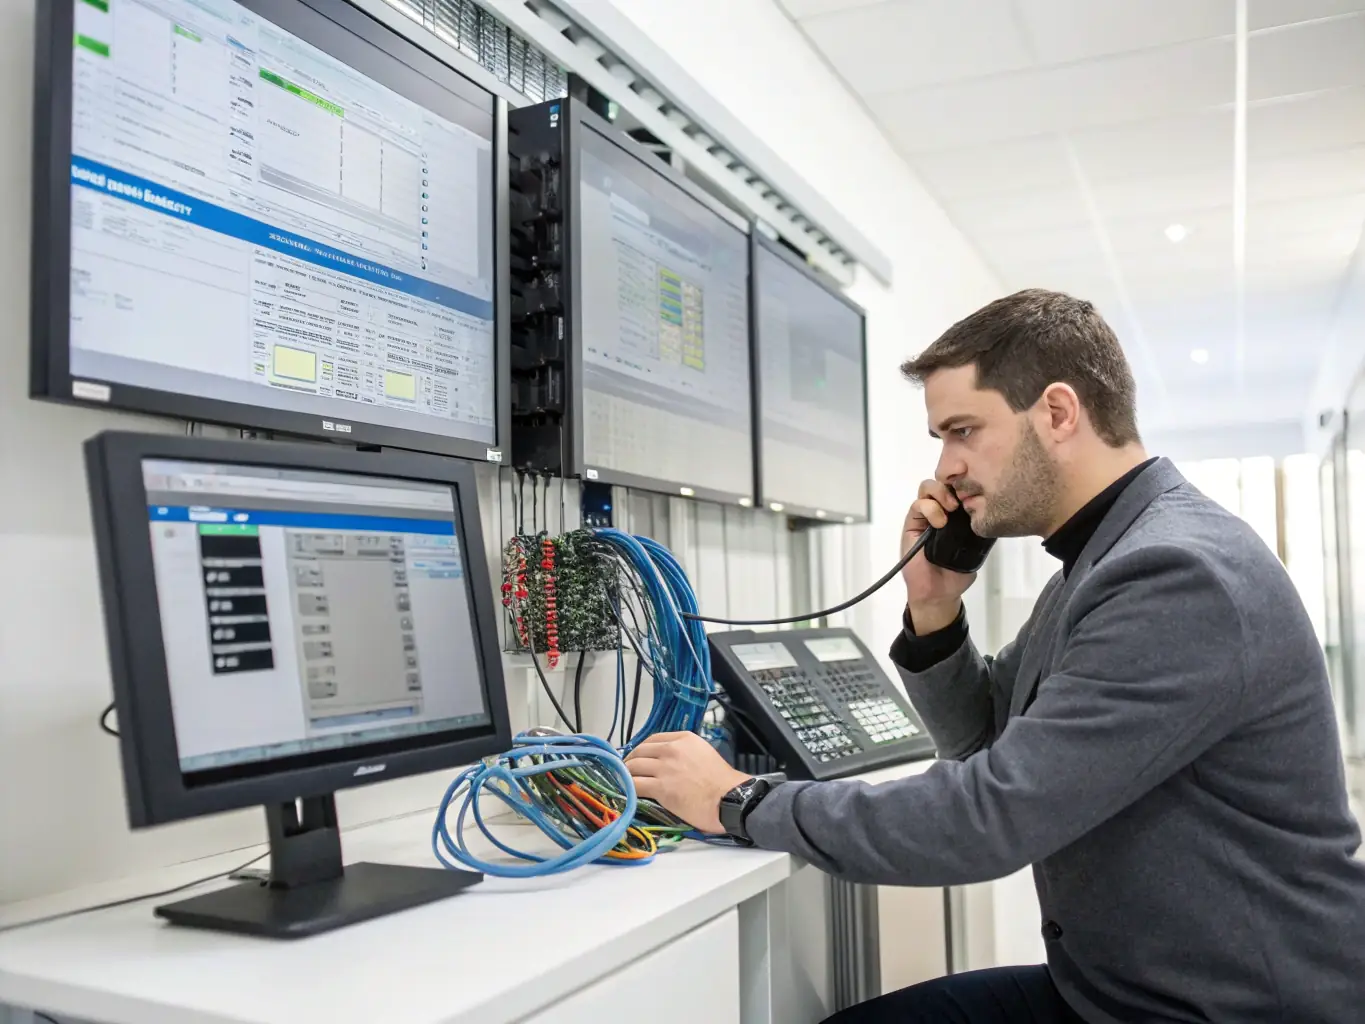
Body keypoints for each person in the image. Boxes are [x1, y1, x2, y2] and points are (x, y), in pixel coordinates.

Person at [625, 289, 1365, 1023]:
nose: (945, 468)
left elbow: (988, 818)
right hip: (1120, 989)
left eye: (962, 430)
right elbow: (984, 737)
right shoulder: (1101, 561)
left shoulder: (1174, 576)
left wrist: (738, 800)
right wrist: (935, 606)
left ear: (1056, 412)